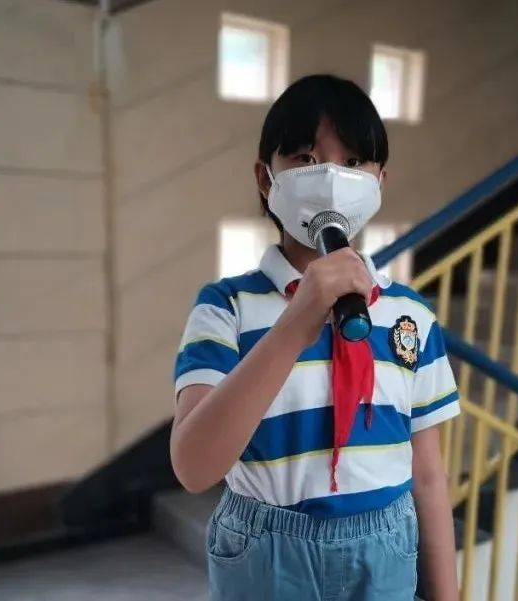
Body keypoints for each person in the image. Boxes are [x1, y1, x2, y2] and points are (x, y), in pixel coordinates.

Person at [170, 74, 461, 601]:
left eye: (353, 162)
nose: (330, 178)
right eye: (305, 157)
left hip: (385, 554)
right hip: (267, 559)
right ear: (265, 178)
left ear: (379, 181)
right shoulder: (226, 307)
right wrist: (294, 324)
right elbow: (193, 467)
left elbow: (427, 476)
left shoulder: (411, 317)